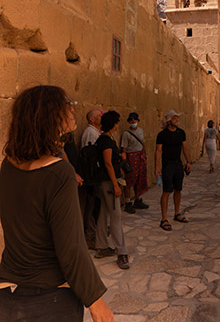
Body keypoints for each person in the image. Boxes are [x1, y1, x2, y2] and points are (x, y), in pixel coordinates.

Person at [0, 85, 113, 322]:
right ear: (48, 116)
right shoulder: (59, 173)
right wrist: (95, 300)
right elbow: (71, 248)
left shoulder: (8, 166)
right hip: (49, 300)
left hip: (8, 294)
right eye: (64, 105)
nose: (71, 109)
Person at [95, 110, 129, 270]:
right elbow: (108, 163)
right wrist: (115, 184)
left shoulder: (104, 139)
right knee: (116, 217)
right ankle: (122, 252)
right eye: (117, 122)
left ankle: (101, 246)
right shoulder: (106, 141)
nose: (118, 125)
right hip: (109, 183)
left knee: (103, 214)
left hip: (104, 182)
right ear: (112, 123)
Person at [155, 110, 191, 231]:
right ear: (169, 121)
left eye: (177, 119)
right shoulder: (162, 135)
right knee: (166, 191)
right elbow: (158, 151)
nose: (177, 121)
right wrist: (156, 167)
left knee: (178, 190)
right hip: (167, 165)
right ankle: (164, 218)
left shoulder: (181, 133)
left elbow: (185, 147)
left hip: (178, 164)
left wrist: (188, 161)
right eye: (175, 119)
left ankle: (177, 213)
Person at [79, 109, 102, 250]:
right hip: (92, 177)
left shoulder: (94, 132)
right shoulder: (90, 133)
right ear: (92, 119)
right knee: (92, 205)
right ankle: (90, 236)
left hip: (95, 176)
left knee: (96, 205)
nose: (101, 117)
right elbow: (90, 156)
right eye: (99, 116)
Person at [121, 112, 149, 214]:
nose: (133, 121)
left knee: (140, 178)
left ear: (138, 121)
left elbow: (143, 143)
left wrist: (145, 155)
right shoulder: (126, 134)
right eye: (131, 119)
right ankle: (128, 202)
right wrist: (125, 161)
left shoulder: (141, 130)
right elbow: (123, 148)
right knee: (129, 179)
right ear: (129, 121)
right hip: (131, 157)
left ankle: (137, 199)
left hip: (140, 157)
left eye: (135, 119)